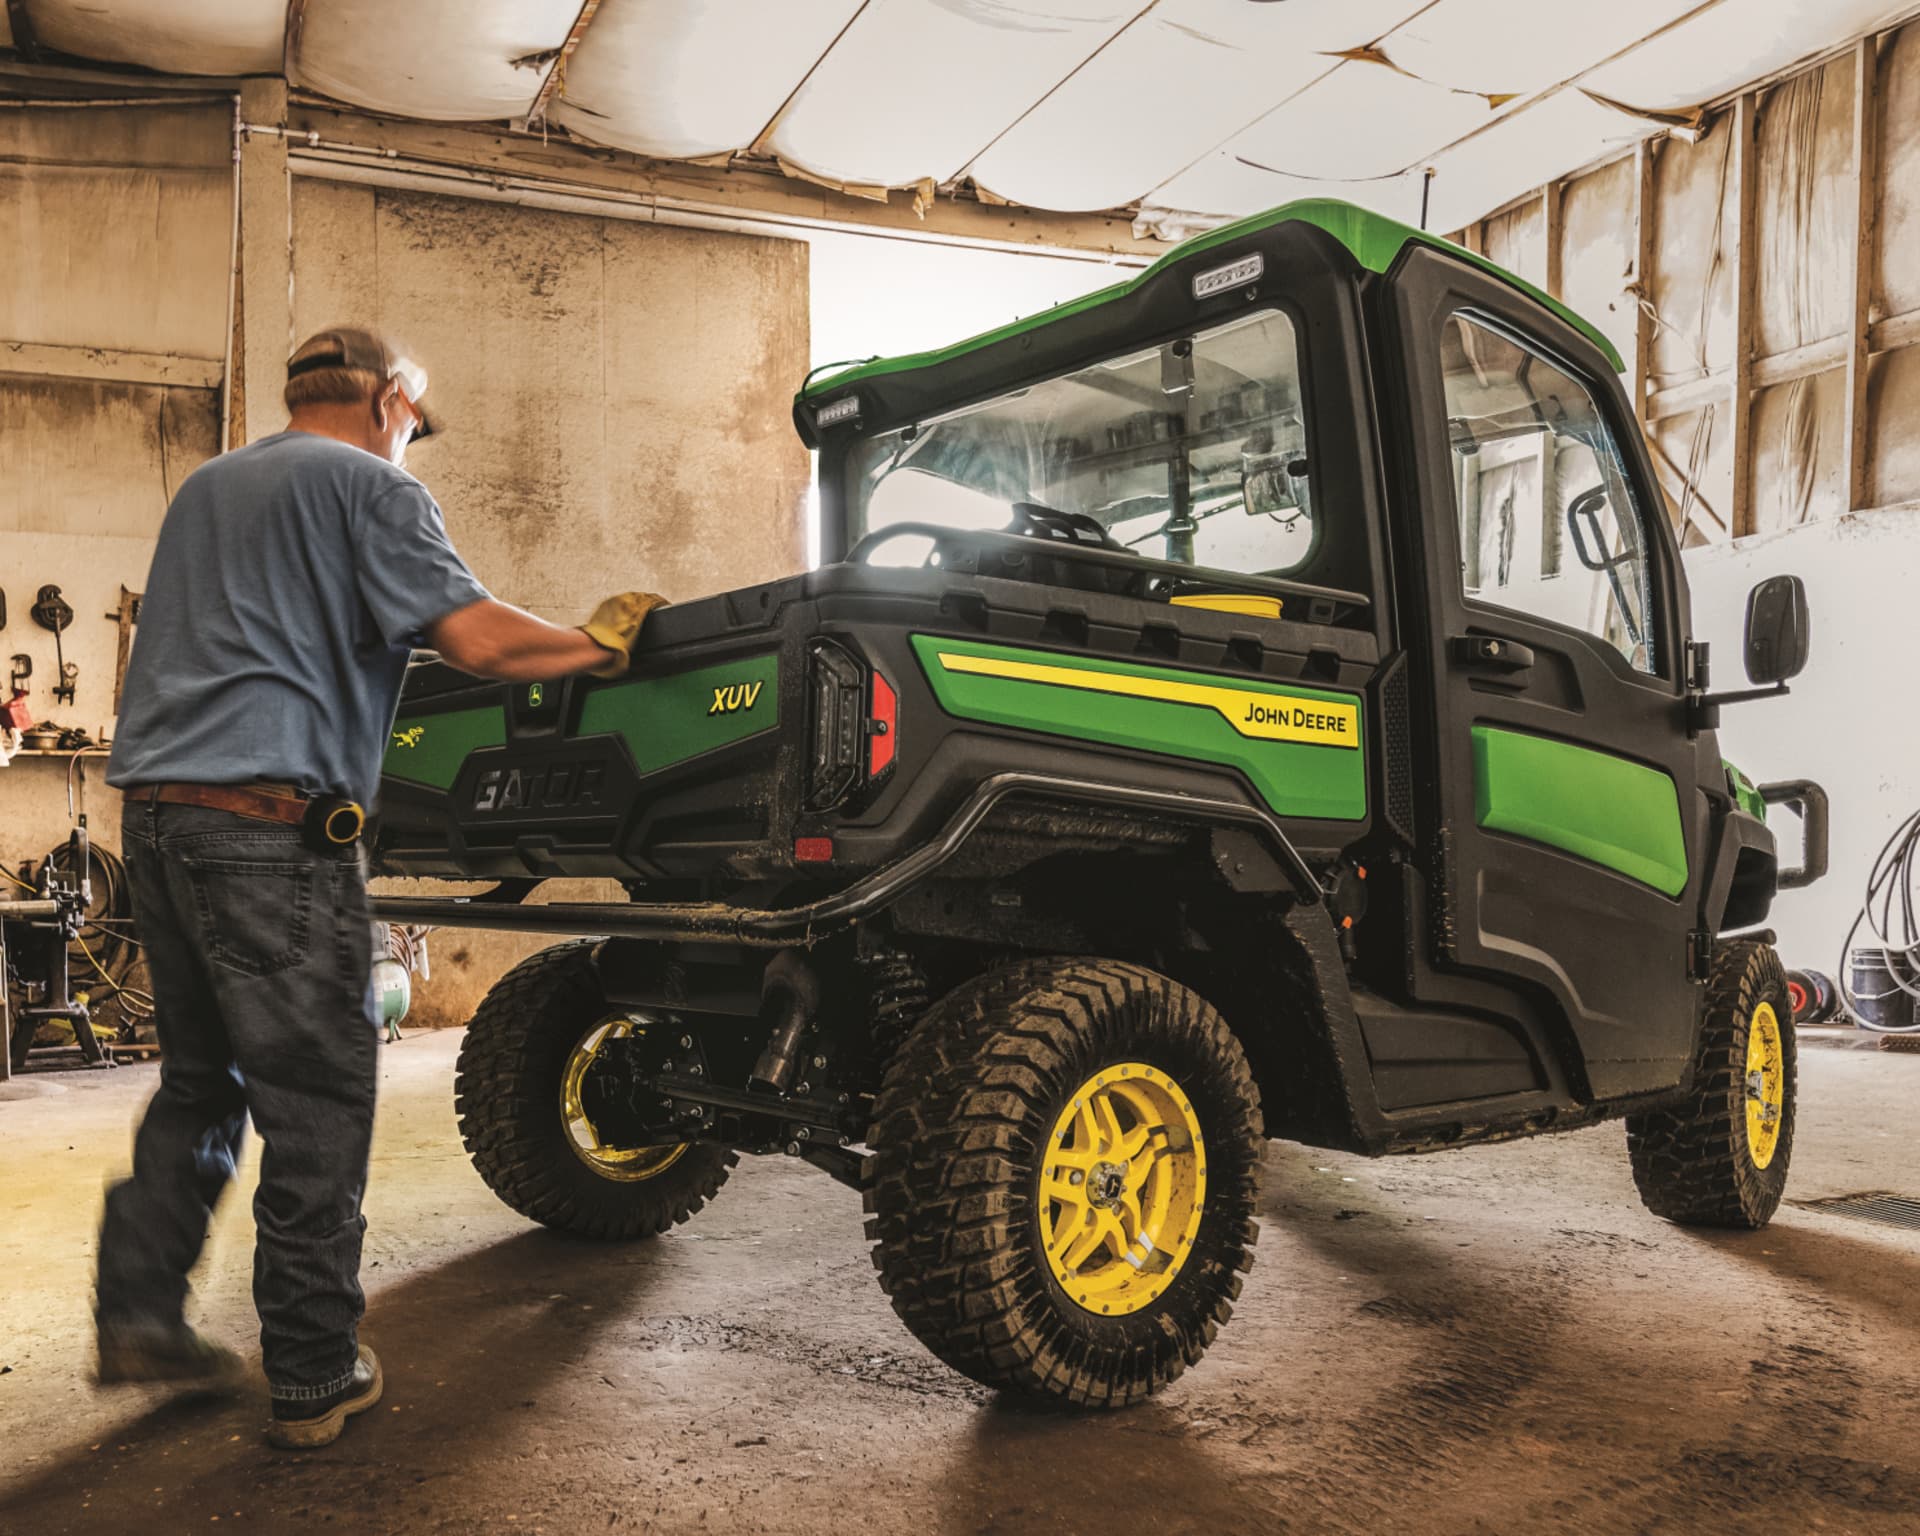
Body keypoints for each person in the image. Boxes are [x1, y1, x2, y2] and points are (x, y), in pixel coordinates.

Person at [94, 328, 661, 1449]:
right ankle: (311, 1370)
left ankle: (141, 1318)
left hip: (159, 821)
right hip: (268, 829)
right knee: (317, 1101)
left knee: (201, 1088)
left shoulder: (208, 489)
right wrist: (596, 647)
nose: (409, 439)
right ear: (393, 399)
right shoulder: (372, 486)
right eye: (412, 421)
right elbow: (479, 640)